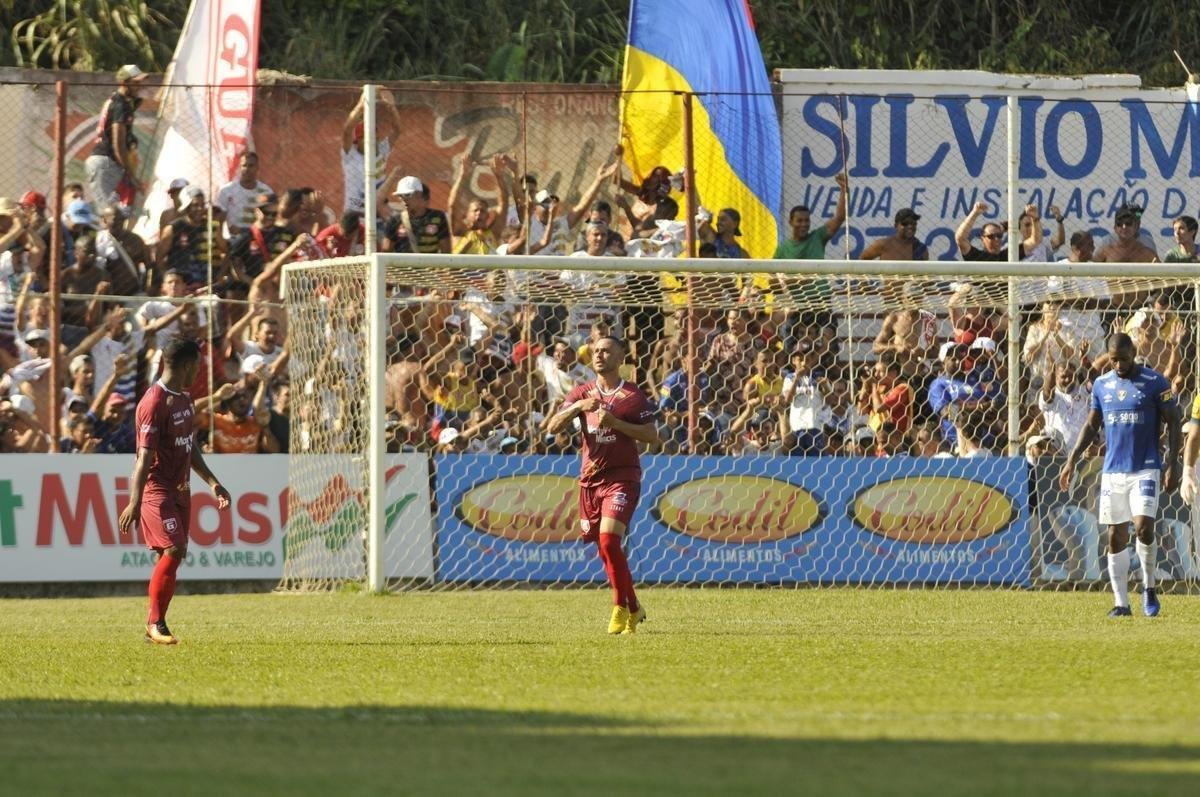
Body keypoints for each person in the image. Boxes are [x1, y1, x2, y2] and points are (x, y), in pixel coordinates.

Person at [117, 338, 231, 645]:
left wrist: (212, 482)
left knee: (171, 555)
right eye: (198, 366)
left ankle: (154, 626)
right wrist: (134, 502)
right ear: (187, 366)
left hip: (181, 490)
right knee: (174, 549)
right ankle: (155, 624)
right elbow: (144, 457)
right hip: (157, 489)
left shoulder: (185, 399)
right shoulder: (154, 402)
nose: (199, 372)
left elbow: (188, 444)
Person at [1059, 333, 1180, 618]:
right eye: (1113, 360)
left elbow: (1174, 421)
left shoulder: (1155, 382)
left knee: (1144, 527)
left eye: (1123, 359)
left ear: (1133, 353)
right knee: (1115, 535)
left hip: (1146, 467)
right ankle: (1121, 604)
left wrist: (1172, 463)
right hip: (1114, 470)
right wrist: (1072, 460)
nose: (1118, 365)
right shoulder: (1102, 385)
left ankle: (1149, 587)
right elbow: (1091, 425)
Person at [545, 336, 658, 635]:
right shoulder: (581, 393)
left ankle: (619, 606)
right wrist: (577, 407)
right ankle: (634, 606)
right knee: (604, 549)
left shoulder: (632, 395)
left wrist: (616, 424)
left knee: (609, 541)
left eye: (606, 351)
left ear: (620, 358)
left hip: (622, 477)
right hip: (590, 480)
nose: (599, 355)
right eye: (595, 351)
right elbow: (553, 426)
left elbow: (651, 435)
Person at [85, 65, 146, 208]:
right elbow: (118, 143)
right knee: (109, 213)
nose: (140, 86)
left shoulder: (117, 100)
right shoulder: (121, 105)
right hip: (106, 163)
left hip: (107, 162)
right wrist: (131, 175)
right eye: (135, 82)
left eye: (140, 82)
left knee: (118, 211)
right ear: (124, 83)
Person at [214, 151, 273, 236]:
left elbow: (270, 219)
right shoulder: (226, 190)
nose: (247, 169)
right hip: (233, 238)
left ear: (257, 167)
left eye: (251, 166)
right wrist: (227, 229)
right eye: (244, 165)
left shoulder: (266, 192)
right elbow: (218, 218)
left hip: (258, 237)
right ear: (240, 167)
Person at [860, 208, 928, 261]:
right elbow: (862, 260)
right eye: (905, 223)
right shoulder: (883, 244)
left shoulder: (920, 248)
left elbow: (924, 273)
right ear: (896, 226)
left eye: (913, 223)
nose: (910, 226)